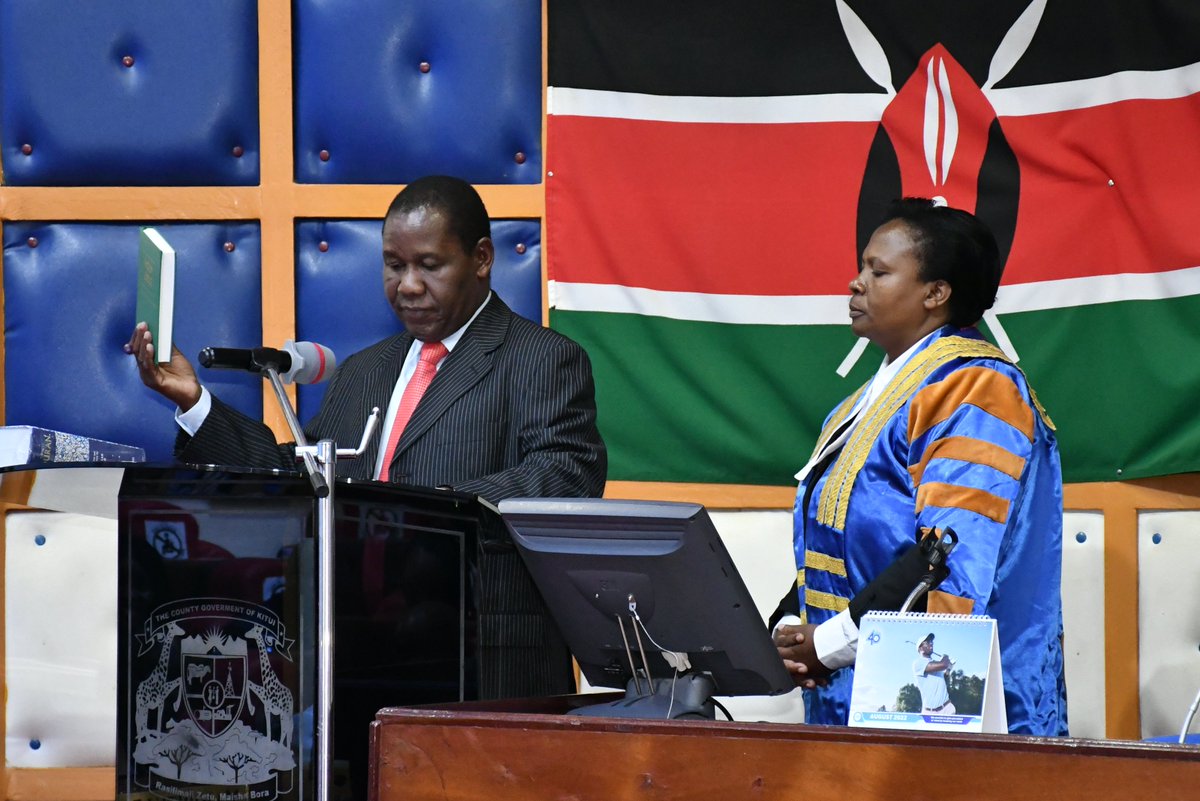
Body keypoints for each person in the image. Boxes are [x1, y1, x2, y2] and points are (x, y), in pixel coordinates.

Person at [127, 175, 607, 698]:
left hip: (485, 661)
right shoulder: (363, 371)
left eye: (429, 265)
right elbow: (300, 476)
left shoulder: (542, 358)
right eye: (394, 265)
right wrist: (194, 402)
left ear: (482, 258)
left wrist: (428, 514)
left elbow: (564, 475)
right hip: (363, 653)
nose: (408, 285)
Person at [772, 198, 1067, 736]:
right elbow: (835, 545)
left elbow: (949, 552)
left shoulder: (976, 387)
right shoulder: (858, 406)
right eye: (862, 268)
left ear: (936, 293)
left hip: (943, 708)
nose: (856, 283)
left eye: (879, 271)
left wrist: (829, 643)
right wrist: (792, 628)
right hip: (849, 691)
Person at [912, 633, 955, 714]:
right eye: (927, 642)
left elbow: (943, 681)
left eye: (931, 642)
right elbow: (944, 664)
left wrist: (949, 669)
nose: (931, 644)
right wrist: (945, 656)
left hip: (947, 708)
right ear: (920, 648)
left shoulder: (935, 664)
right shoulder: (918, 663)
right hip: (929, 712)